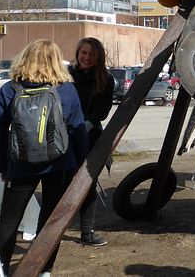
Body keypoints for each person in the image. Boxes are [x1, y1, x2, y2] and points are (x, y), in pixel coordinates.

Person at [0, 39, 88, 276]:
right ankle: (44, 270)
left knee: (9, 219)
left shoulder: (9, 89)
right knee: (51, 221)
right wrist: (82, 164)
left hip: (20, 164)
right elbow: (77, 129)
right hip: (60, 164)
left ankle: (1, 268)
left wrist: (2, 166)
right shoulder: (66, 89)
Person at [69, 37, 115, 247]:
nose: (86, 57)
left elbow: (101, 112)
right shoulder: (66, 76)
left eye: (91, 54)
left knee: (87, 185)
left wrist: (82, 129)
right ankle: (49, 230)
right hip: (63, 137)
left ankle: (87, 232)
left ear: (98, 57)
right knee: (59, 184)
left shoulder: (105, 80)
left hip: (89, 137)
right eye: (83, 53)